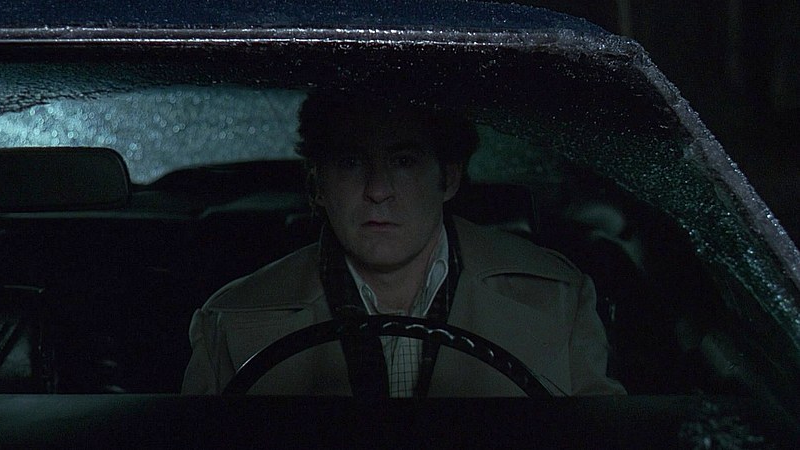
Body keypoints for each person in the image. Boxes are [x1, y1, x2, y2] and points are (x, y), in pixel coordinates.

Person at [181, 90, 625, 397]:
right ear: (317, 185)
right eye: (351, 161)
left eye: (404, 161)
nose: (378, 189)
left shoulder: (556, 299)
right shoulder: (230, 321)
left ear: (449, 178)